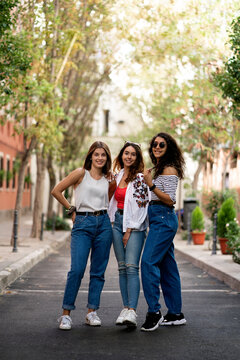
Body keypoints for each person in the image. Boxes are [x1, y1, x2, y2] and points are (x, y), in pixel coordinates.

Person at [51, 141, 114, 330]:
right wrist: (71, 209)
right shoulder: (80, 173)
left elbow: (109, 201)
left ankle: (91, 312)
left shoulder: (109, 179)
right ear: (90, 156)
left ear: (107, 158)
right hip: (83, 224)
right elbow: (56, 191)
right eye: (96, 155)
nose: (100, 158)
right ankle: (65, 315)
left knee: (98, 272)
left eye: (103, 155)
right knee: (77, 270)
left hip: (103, 224)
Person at [140, 132, 186, 332]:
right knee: (168, 267)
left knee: (148, 262)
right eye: (154, 144)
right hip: (158, 217)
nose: (156, 147)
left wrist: (150, 183)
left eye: (161, 145)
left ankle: (154, 312)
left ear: (169, 148)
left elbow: (169, 199)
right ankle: (175, 313)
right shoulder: (159, 168)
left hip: (164, 218)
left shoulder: (169, 168)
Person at [108, 141, 150, 328]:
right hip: (117, 223)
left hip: (134, 226)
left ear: (137, 158)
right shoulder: (117, 177)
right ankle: (125, 308)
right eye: (126, 153)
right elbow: (111, 202)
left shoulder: (140, 179)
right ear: (121, 155)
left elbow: (142, 207)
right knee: (122, 268)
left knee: (132, 267)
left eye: (133, 154)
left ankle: (132, 311)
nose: (129, 157)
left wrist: (130, 230)